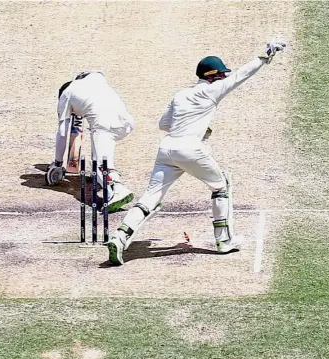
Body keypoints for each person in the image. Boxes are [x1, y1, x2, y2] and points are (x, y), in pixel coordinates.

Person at [108, 38, 287, 265]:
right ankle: (225, 241)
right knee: (222, 185)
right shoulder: (212, 91)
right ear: (212, 76)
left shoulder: (180, 94)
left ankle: (120, 237)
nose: (223, 77)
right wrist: (265, 55)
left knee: (151, 197)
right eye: (221, 74)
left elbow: (163, 125)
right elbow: (240, 76)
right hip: (190, 149)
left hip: (167, 148)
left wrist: (195, 124)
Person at [45, 71, 136, 213]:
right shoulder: (94, 83)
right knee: (100, 158)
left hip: (104, 124)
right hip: (125, 121)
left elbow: (62, 132)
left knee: (99, 165)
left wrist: (57, 163)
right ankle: (110, 186)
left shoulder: (66, 95)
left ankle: (117, 188)